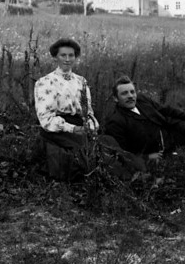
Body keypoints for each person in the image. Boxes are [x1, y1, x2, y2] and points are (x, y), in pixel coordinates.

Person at [34, 38, 142, 181]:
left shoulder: (81, 81)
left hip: (81, 124)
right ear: (55, 57)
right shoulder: (45, 82)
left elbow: (88, 111)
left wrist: (91, 126)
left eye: (71, 55)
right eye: (63, 55)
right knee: (89, 147)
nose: (67, 59)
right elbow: (46, 118)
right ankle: (123, 179)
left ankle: (138, 171)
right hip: (57, 128)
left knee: (108, 141)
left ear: (75, 57)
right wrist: (73, 129)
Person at [104, 76, 185, 163]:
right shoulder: (114, 121)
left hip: (171, 130)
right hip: (158, 149)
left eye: (132, 92)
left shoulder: (141, 99)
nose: (130, 96)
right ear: (115, 98)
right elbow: (123, 153)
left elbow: (166, 110)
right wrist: (148, 157)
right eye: (124, 93)